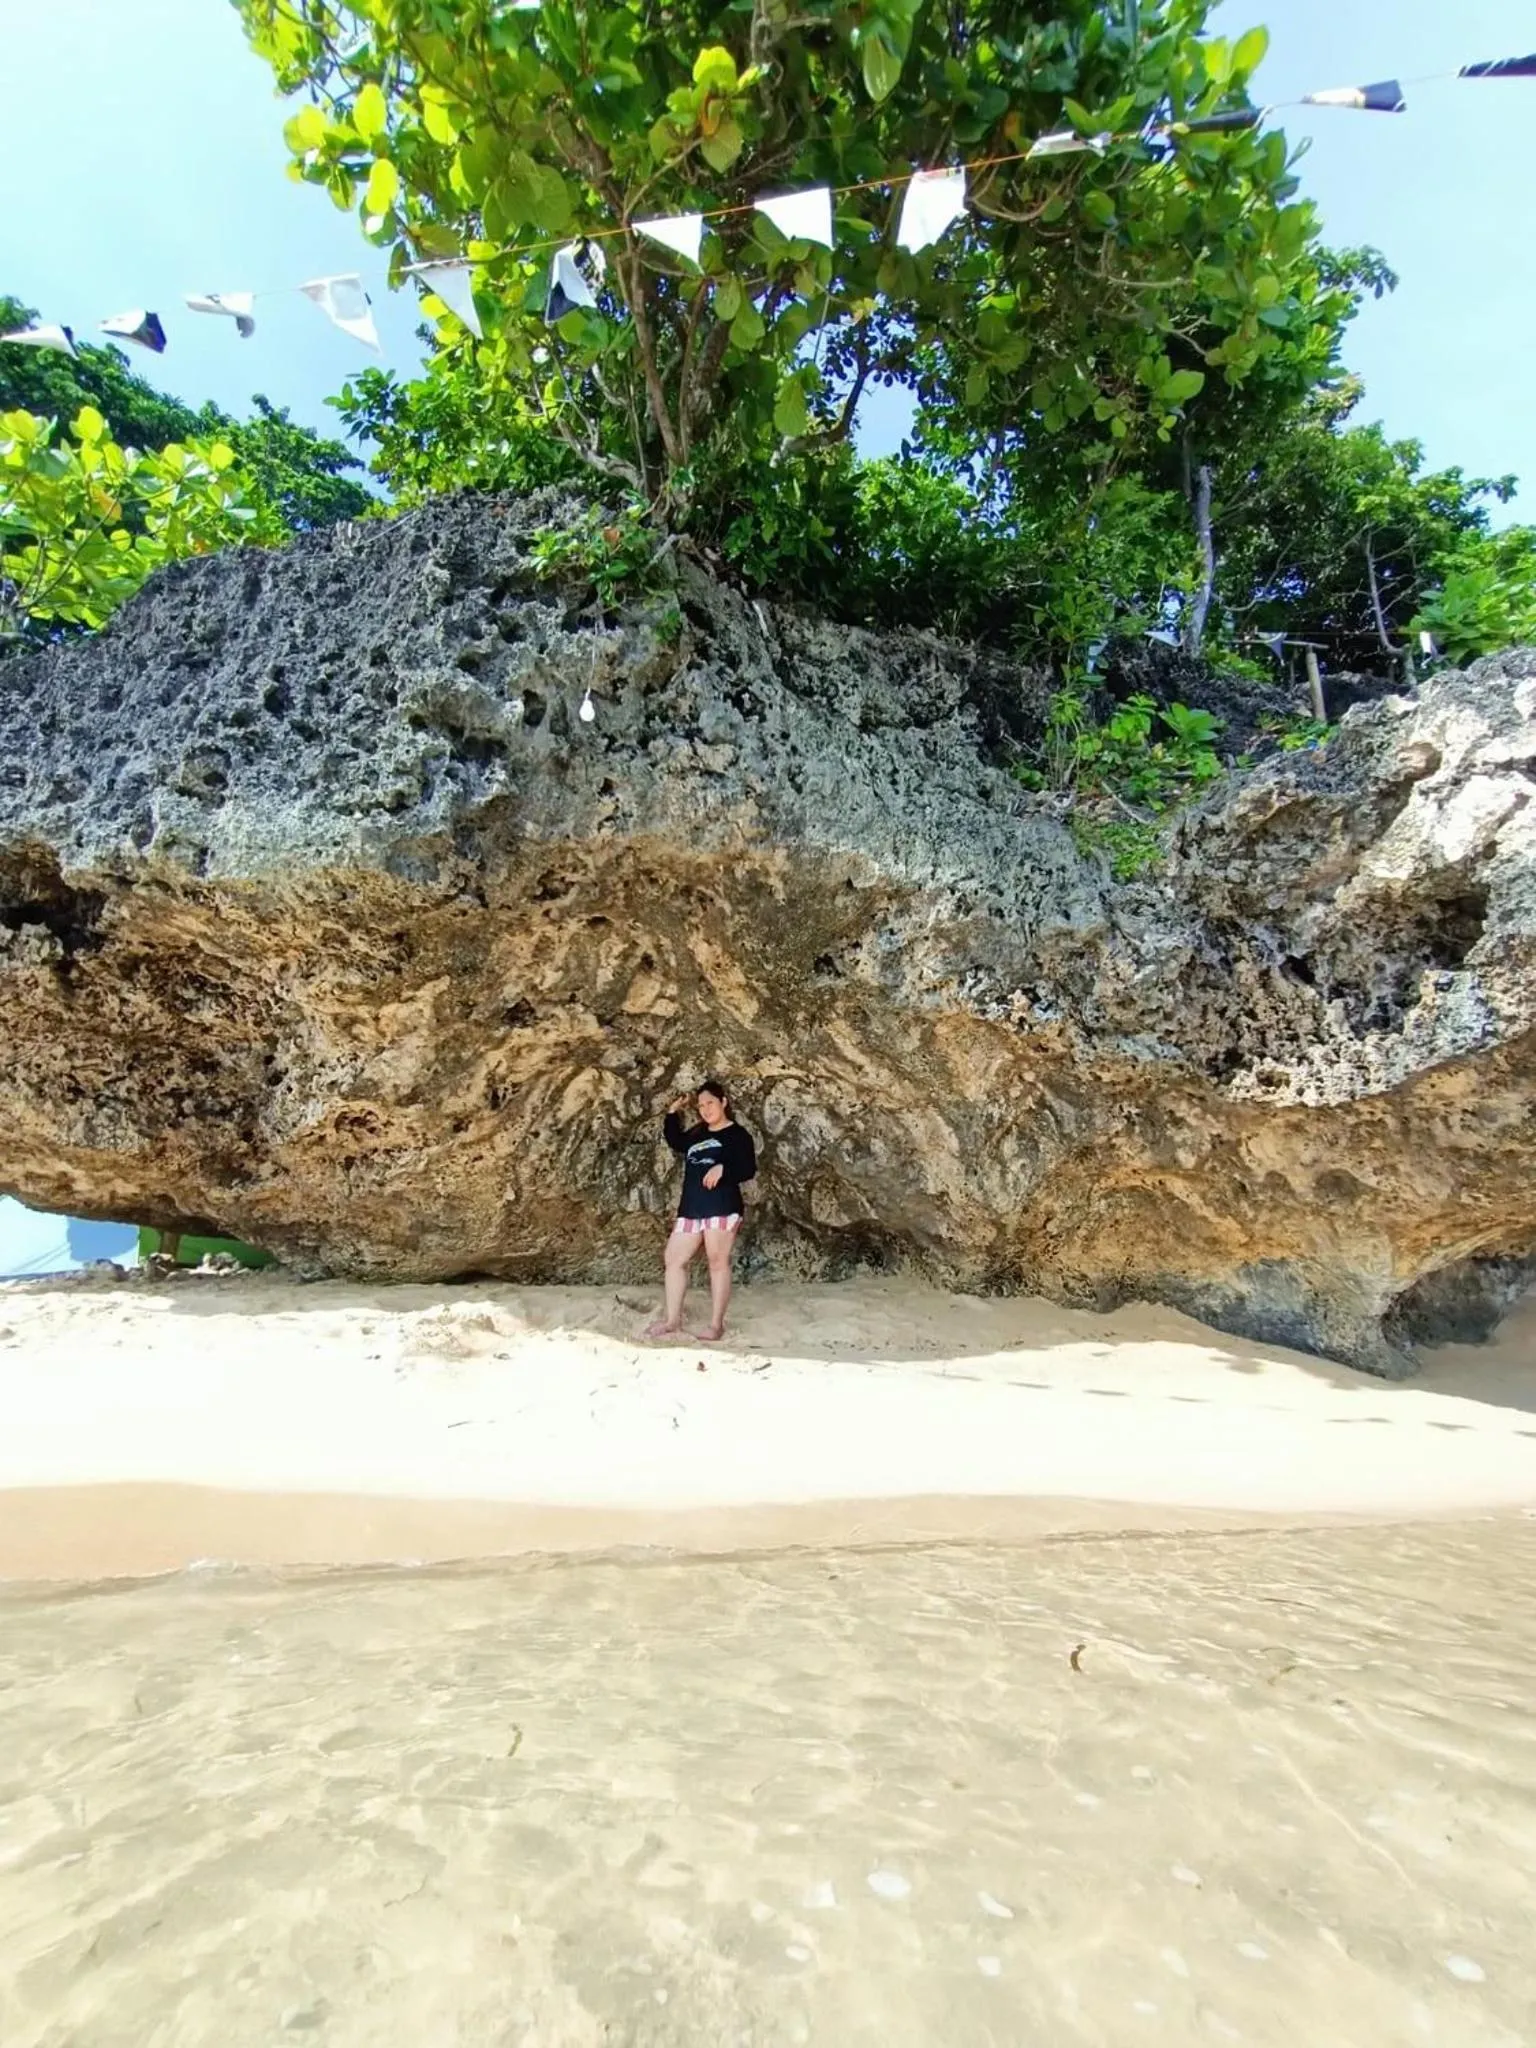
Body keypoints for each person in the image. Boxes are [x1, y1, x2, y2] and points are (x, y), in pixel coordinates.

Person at [645, 1079, 758, 1343]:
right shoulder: (698, 1134)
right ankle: (673, 1320)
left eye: (710, 1103)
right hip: (691, 1207)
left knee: (717, 1262)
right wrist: (672, 1112)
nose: (705, 1109)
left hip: (721, 1206)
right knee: (673, 1259)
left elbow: (748, 1168)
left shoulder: (737, 1135)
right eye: (701, 1106)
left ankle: (716, 1325)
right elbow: (676, 1141)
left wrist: (723, 1169)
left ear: (724, 1103)